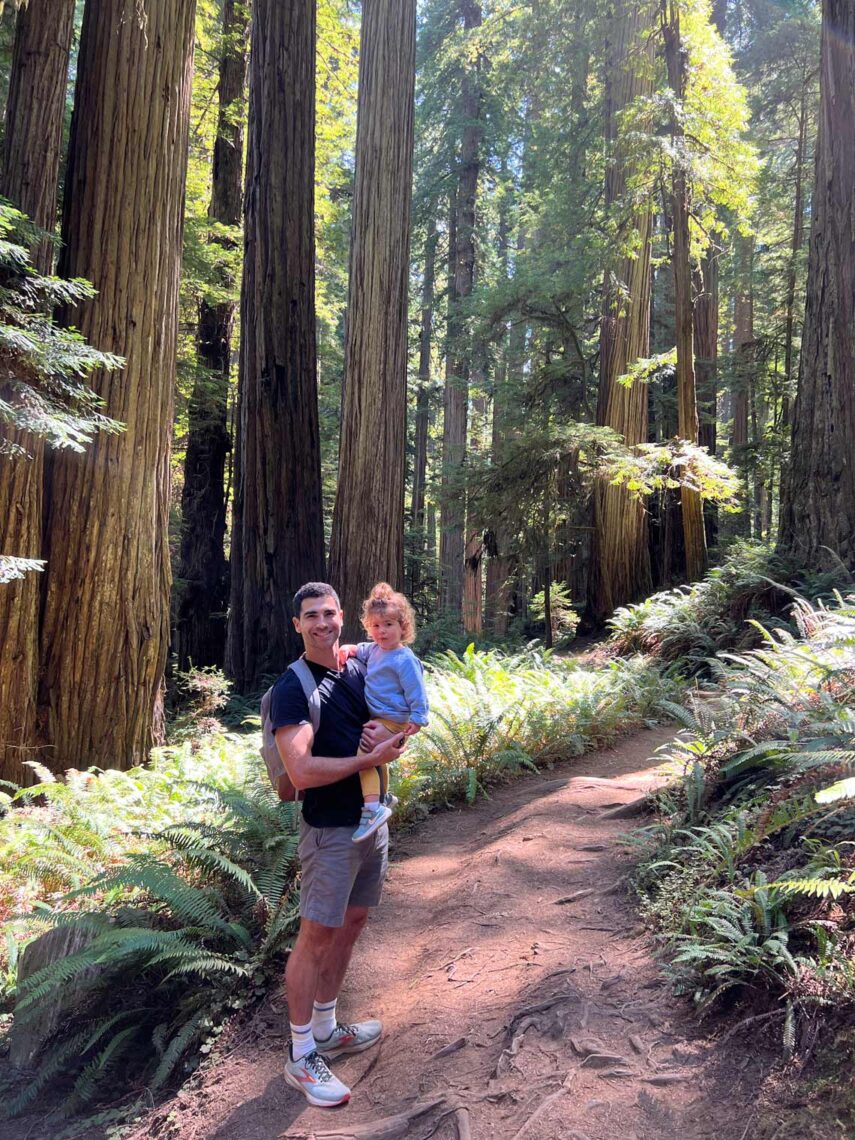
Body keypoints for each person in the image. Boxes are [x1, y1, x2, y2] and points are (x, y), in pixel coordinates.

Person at [272, 581, 407, 1108]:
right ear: (297, 625)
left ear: (342, 616)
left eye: (329, 613)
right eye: (311, 616)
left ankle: (326, 1028)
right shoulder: (293, 687)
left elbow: (383, 721)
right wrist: (365, 762)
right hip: (329, 832)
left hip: (369, 824)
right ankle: (301, 1054)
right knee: (315, 937)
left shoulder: (355, 667)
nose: (323, 623)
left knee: (351, 925)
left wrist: (390, 742)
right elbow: (300, 770)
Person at [349, 582, 429, 843]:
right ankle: (382, 796)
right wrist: (346, 649)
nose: (381, 631)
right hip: (379, 717)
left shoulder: (403, 659)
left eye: (388, 625)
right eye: (375, 626)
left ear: (402, 627)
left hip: (393, 719)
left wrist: (418, 719)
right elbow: (359, 649)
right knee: (378, 758)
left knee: (366, 757)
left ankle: (372, 808)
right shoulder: (374, 650)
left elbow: (416, 690)